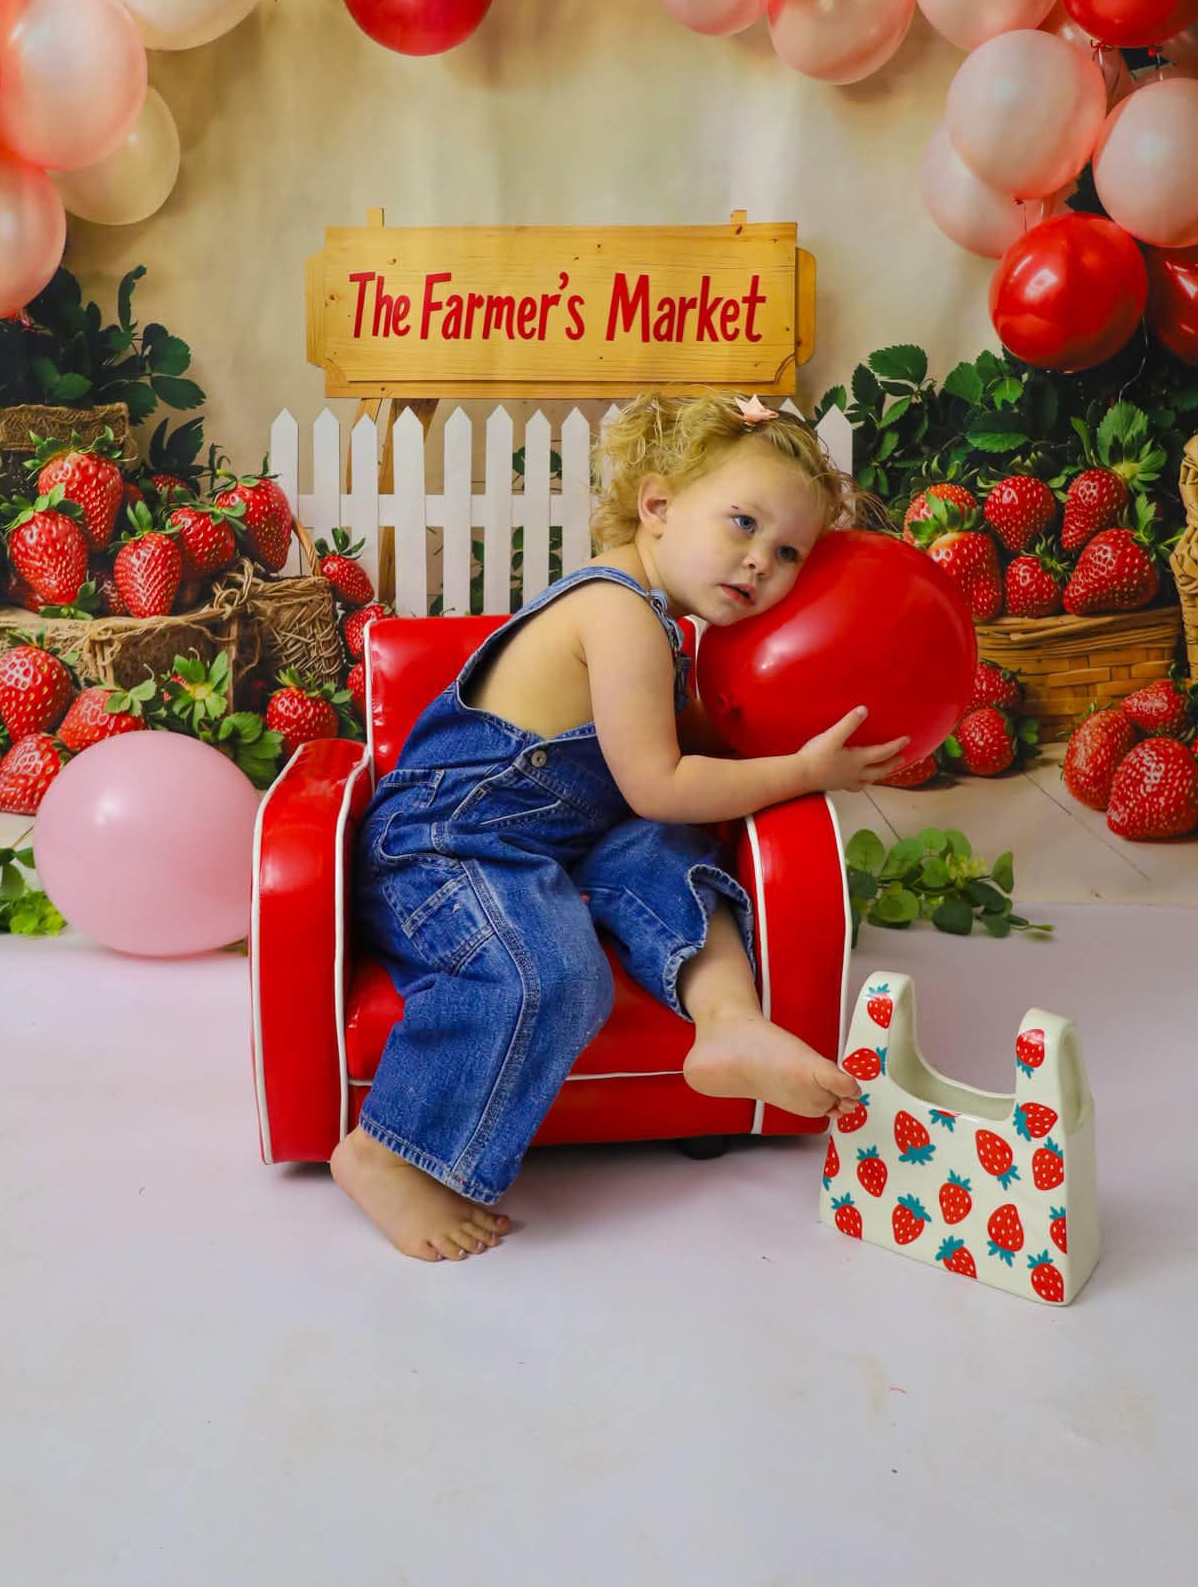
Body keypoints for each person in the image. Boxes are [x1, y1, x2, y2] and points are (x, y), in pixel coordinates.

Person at [333, 391, 910, 1261]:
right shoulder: (619, 612)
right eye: (744, 524)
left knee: (670, 852)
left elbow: (666, 770)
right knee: (554, 974)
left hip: (551, 845)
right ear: (659, 505)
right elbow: (659, 781)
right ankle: (386, 1150)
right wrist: (802, 772)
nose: (761, 562)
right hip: (441, 849)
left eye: (788, 551)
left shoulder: (664, 626)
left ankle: (727, 1020)